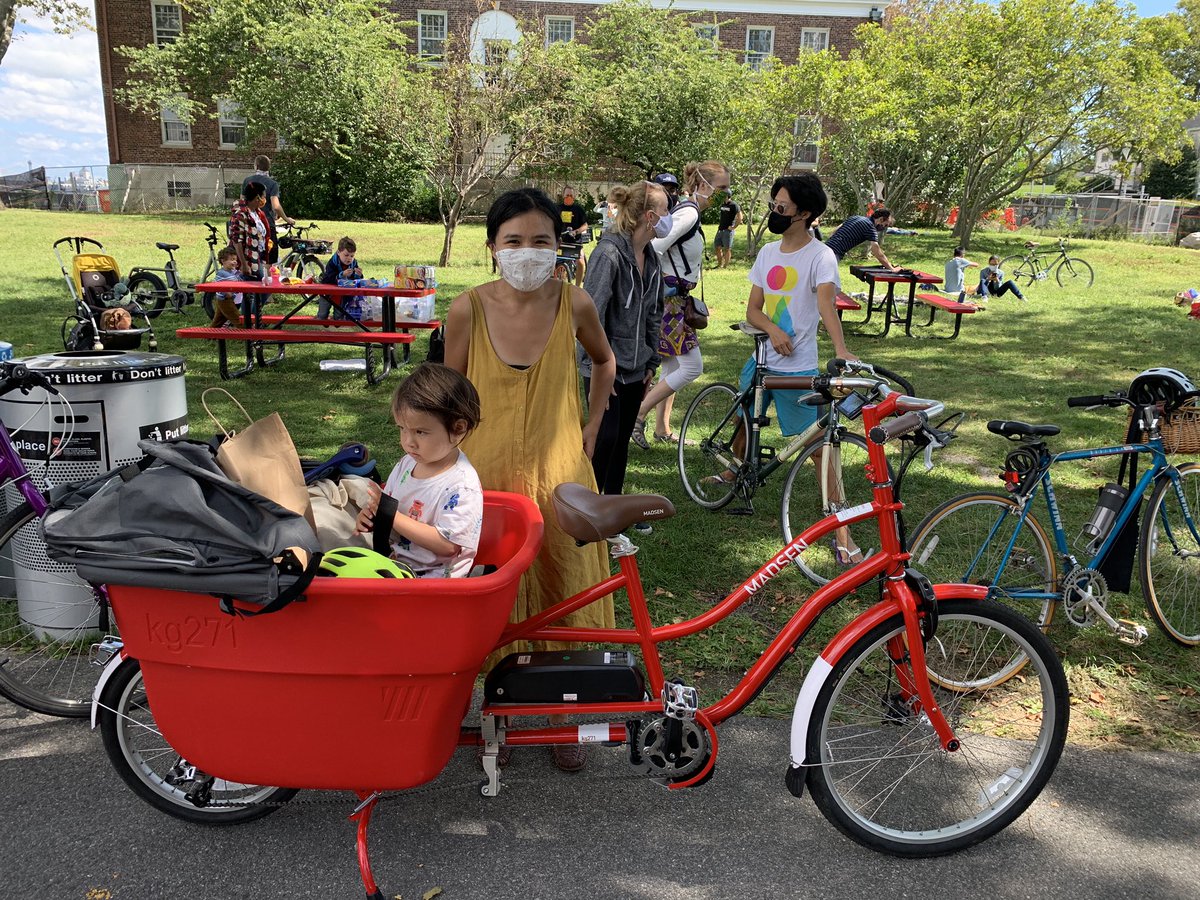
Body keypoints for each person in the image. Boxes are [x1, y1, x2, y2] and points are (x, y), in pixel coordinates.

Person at [444, 187, 616, 772]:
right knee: (492, 598)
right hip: (485, 481)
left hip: (561, 477)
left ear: (559, 246)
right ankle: (499, 717)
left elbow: (606, 361)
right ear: (492, 247)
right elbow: (447, 394)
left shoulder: (576, 303)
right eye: (513, 240)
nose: (527, 251)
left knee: (564, 590)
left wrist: (591, 426)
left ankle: (564, 720)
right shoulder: (467, 307)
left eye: (540, 240)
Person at [720, 173, 862, 561]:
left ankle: (842, 533)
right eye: (773, 205)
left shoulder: (821, 256)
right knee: (744, 421)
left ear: (805, 214)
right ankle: (733, 471)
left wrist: (841, 349)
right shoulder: (767, 253)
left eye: (781, 207)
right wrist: (771, 330)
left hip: (798, 369)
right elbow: (753, 308)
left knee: (821, 449)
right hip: (762, 360)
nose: (774, 212)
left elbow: (825, 306)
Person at [634, 161, 731, 449]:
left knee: (671, 365)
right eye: (722, 187)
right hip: (670, 301)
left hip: (675, 299)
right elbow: (653, 246)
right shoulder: (688, 214)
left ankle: (662, 429)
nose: (725, 195)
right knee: (692, 367)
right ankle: (638, 414)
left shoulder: (690, 213)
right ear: (703, 185)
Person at [354, 363, 484, 579]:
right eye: (402, 429)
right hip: (395, 564)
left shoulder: (461, 485)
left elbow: (448, 545)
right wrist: (372, 518)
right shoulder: (407, 465)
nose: (408, 442)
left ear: (458, 428)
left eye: (420, 432)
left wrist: (393, 517)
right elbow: (390, 510)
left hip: (435, 581)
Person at [579, 180, 667, 498]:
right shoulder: (608, 253)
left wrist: (651, 363)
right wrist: (599, 366)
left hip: (636, 367)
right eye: (665, 210)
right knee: (605, 438)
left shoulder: (653, 259)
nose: (670, 216)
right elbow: (590, 315)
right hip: (606, 368)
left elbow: (654, 313)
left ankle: (612, 514)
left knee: (621, 441)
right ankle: (587, 512)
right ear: (649, 217)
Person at [242, 155, 295, 265]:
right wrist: (286, 218)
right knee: (270, 259)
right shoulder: (272, 184)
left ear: (256, 166)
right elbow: (275, 206)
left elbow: (242, 201)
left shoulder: (247, 181)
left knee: (252, 256)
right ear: (268, 167)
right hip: (267, 225)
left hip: (248, 223)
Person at [823, 208, 899, 270]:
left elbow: (835, 230)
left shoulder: (856, 217)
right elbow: (877, 252)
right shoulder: (870, 227)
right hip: (833, 254)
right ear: (881, 219)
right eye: (885, 225)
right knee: (829, 283)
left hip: (824, 248)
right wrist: (891, 268)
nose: (883, 228)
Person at [316, 236, 364, 320]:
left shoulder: (353, 263)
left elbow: (354, 280)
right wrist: (341, 275)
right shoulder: (332, 263)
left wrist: (358, 275)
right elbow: (328, 279)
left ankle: (337, 321)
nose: (349, 258)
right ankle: (323, 321)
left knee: (339, 316)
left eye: (352, 256)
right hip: (327, 292)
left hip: (343, 293)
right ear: (338, 252)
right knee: (322, 314)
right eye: (346, 255)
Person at [557, 186, 589, 286]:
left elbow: (585, 225)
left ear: (574, 196)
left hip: (575, 242)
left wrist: (577, 231)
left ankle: (578, 287)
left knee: (580, 261)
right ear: (563, 196)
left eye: (571, 195)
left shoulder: (578, 209)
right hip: (561, 242)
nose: (569, 197)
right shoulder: (557, 208)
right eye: (567, 195)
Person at [208, 246, 244, 328]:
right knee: (238, 319)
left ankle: (210, 335)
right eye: (232, 260)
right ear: (223, 261)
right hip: (225, 300)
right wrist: (226, 292)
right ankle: (250, 337)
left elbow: (238, 280)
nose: (234, 262)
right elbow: (217, 285)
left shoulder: (233, 272)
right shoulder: (221, 273)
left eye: (235, 259)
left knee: (218, 321)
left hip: (229, 299)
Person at [714, 189, 743, 268]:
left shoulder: (734, 205)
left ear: (727, 196)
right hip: (720, 229)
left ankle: (725, 266)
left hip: (728, 231)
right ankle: (720, 264)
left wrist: (733, 227)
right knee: (717, 247)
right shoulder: (723, 204)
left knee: (727, 249)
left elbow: (740, 217)